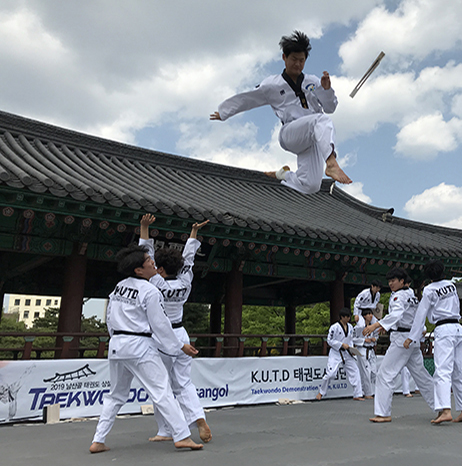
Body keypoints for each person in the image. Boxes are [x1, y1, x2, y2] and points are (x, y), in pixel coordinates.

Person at [89, 245, 203, 454]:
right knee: (162, 391)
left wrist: (116, 339)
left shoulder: (118, 287)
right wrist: (180, 346)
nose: (153, 263)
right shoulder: (150, 291)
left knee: (115, 396)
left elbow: (109, 318)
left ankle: (98, 440)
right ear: (138, 270)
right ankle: (182, 436)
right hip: (140, 346)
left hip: (117, 345)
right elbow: (160, 324)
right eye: (148, 261)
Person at [210, 30, 351, 194]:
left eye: (302, 60)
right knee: (321, 120)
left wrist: (326, 90)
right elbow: (249, 98)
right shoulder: (272, 85)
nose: (298, 64)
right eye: (294, 60)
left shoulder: (313, 81)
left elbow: (330, 108)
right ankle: (332, 162)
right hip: (290, 133)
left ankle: (283, 174)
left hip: (312, 137)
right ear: (284, 58)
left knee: (311, 186)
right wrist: (224, 111)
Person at [138, 214, 212, 444]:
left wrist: (144, 228)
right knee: (183, 382)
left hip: (162, 338)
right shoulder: (185, 282)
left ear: (158, 269)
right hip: (182, 335)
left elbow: (145, 258)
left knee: (162, 385)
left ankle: (166, 430)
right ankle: (198, 417)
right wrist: (193, 233)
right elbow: (188, 259)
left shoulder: (156, 283)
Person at [362, 268, 435, 423]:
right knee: (421, 376)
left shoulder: (399, 296)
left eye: (394, 280)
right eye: (389, 281)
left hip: (402, 340)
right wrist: (387, 326)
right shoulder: (412, 295)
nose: (391, 284)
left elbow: (396, 315)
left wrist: (375, 326)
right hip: (412, 339)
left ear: (402, 281)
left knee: (385, 374)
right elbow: (413, 317)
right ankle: (442, 407)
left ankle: (383, 413)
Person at [404, 260, 462, 424]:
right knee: (459, 370)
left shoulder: (429, 290)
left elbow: (421, 314)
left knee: (442, 370)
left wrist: (412, 337)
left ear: (428, 276)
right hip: (458, 328)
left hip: (444, 329)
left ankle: (445, 410)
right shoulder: (452, 285)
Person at [316, 308, 363, 401]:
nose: (349, 318)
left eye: (349, 316)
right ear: (342, 317)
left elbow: (351, 340)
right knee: (331, 374)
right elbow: (329, 340)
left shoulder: (350, 327)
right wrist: (341, 344)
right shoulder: (334, 327)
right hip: (336, 353)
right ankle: (321, 392)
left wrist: (352, 349)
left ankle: (357, 394)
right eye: (347, 316)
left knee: (355, 371)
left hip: (347, 353)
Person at [353, 308, 379, 399]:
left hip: (371, 350)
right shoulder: (359, 327)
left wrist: (375, 339)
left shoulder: (373, 326)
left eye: (371, 314)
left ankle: (374, 391)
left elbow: (377, 336)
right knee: (366, 372)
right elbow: (353, 339)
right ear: (364, 316)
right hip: (362, 350)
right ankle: (367, 393)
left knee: (374, 371)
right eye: (368, 314)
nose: (370, 316)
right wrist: (364, 340)